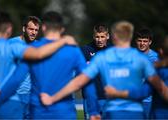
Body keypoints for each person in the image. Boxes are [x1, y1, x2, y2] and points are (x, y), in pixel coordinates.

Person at [37, 21, 168, 119]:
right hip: (135, 112)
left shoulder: (102, 57)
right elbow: (157, 88)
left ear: (113, 37)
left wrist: (53, 98)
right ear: (130, 37)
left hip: (113, 110)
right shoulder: (141, 58)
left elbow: (78, 82)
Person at [0, 11, 86, 119]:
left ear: (42, 29)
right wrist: (63, 41)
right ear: (23, 29)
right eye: (31, 29)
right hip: (13, 95)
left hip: (31, 95)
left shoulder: (38, 45)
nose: (34, 32)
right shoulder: (12, 45)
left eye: (36, 30)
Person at [81, 24, 111, 119]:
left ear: (107, 36)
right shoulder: (85, 50)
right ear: (94, 36)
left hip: (108, 97)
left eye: (102, 36)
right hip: (90, 98)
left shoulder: (113, 51)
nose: (100, 39)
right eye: (97, 37)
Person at [135, 28, 159, 119]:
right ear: (136, 41)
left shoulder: (156, 58)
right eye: (139, 41)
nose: (142, 44)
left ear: (150, 42)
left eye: (145, 41)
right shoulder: (129, 55)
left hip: (148, 101)